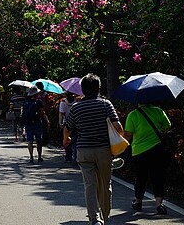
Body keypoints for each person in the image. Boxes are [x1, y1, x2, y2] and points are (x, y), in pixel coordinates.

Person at [63, 73, 124, 225]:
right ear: (98, 89)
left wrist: (66, 140)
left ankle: (94, 219)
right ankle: (105, 216)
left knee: (89, 185)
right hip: (103, 150)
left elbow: (67, 128)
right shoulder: (105, 104)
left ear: (82, 90)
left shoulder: (76, 107)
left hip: (84, 151)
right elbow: (118, 127)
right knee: (105, 184)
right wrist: (118, 137)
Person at [123, 103, 172, 215]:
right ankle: (159, 204)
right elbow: (167, 127)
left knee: (141, 177)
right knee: (157, 176)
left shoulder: (133, 115)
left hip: (139, 151)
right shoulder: (159, 111)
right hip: (157, 149)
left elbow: (128, 135)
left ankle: (138, 202)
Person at [22, 86, 50, 163]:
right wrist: (47, 121)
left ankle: (31, 157)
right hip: (37, 123)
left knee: (30, 141)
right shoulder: (38, 102)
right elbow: (42, 113)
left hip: (28, 123)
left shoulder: (26, 102)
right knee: (39, 141)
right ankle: (39, 156)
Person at [59, 91, 77, 162]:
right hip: (75, 123)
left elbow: (61, 113)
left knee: (66, 140)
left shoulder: (63, 102)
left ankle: (68, 157)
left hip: (66, 123)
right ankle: (76, 156)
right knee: (75, 139)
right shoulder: (76, 102)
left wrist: (60, 123)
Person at [35, 81, 51, 146]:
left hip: (37, 112)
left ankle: (38, 139)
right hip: (44, 111)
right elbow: (48, 103)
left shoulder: (35, 94)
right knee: (45, 127)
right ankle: (44, 141)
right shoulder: (45, 94)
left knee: (37, 126)